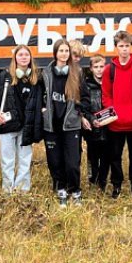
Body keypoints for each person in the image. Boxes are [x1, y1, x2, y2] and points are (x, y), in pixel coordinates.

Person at [0, 45, 44, 193]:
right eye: (20, 55)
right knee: (7, 160)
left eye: (26, 55)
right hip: (7, 125)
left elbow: (42, 100)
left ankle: (22, 190)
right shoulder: (4, 77)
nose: (24, 57)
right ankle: (7, 190)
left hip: (27, 126)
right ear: (15, 58)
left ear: (30, 58)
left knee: (25, 159)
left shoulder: (36, 79)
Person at [42, 39, 91, 206]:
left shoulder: (76, 73)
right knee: (55, 161)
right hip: (51, 125)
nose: (64, 54)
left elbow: (85, 97)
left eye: (66, 51)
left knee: (72, 162)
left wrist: (78, 112)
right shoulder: (46, 73)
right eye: (61, 51)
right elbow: (40, 96)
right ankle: (60, 189)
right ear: (55, 53)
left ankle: (75, 190)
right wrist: (43, 110)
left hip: (70, 125)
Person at [101, 30, 132, 198]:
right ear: (116, 48)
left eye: (127, 46)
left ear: (131, 47)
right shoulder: (109, 70)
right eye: (121, 46)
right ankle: (116, 185)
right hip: (115, 122)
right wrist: (112, 111)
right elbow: (106, 95)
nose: (124, 49)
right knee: (114, 156)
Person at [83, 54, 110, 189]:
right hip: (92, 128)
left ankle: (103, 182)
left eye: (102, 66)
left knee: (106, 156)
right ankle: (93, 180)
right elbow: (84, 107)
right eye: (96, 67)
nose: (99, 70)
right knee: (93, 156)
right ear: (91, 68)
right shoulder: (86, 85)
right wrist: (92, 119)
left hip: (108, 127)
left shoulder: (110, 83)